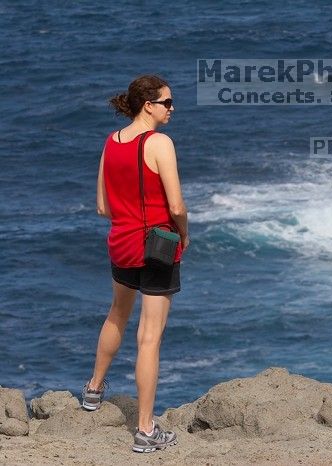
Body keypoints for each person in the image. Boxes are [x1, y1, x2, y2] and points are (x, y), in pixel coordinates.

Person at [83, 75, 189, 453]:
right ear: (149, 105)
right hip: (157, 246)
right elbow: (176, 206)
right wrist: (185, 233)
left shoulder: (111, 142)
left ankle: (93, 391)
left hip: (121, 243)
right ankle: (145, 430)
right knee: (150, 337)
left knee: (117, 314)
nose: (172, 108)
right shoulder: (160, 143)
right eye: (167, 102)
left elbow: (103, 207)